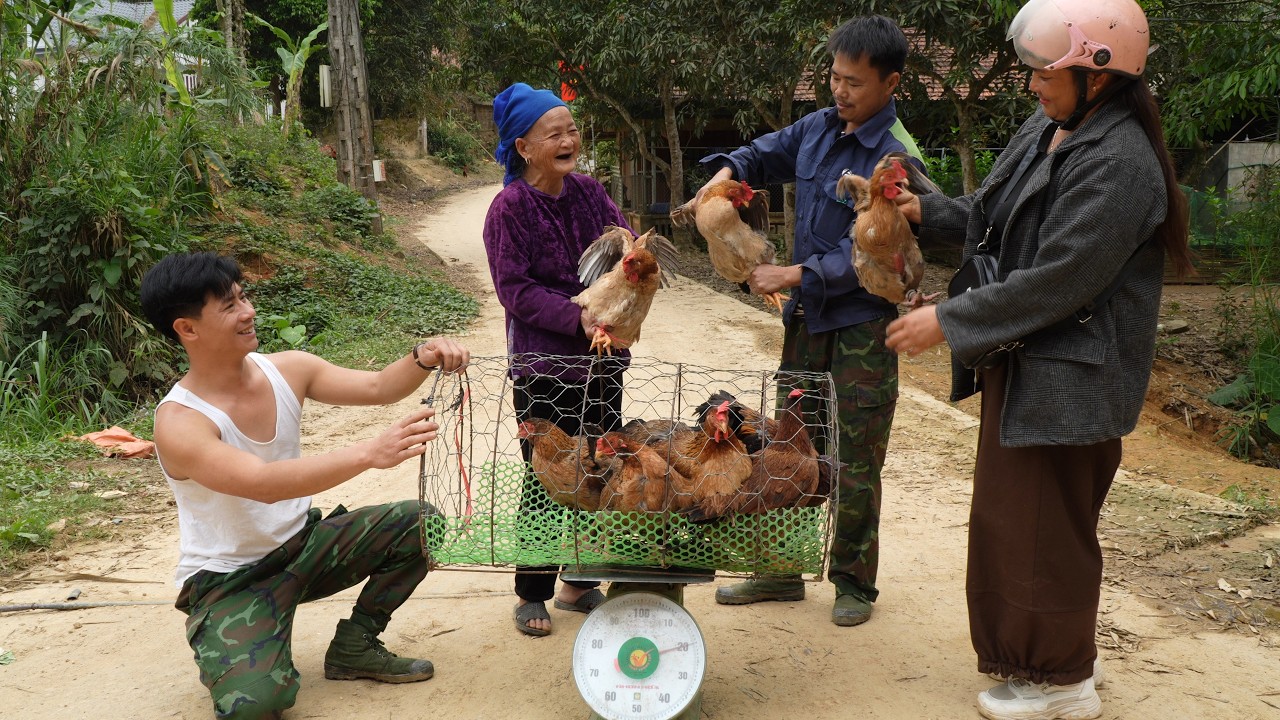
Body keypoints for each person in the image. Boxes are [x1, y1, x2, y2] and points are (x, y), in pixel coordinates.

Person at [884, 0, 1192, 717]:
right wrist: (931, 213)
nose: (1031, 86)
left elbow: (1061, 277)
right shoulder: (1057, 125)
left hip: (1073, 378)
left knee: (1044, 530)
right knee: (1014, 521)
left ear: (1100, 73)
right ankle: (1042, 661)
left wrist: (948, 320)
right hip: (1029, 364)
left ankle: (1061, 682)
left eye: (1045, 73)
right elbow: (996, 211)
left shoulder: (1122, 164)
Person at [140, 252, 470, 719]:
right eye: (229, 305)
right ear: (187, 329)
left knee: (420, 524)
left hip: (305, 547)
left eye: (244, 296)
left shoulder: (288, 369)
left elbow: (377, 387)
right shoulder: (180, 422)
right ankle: (231, 645)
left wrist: (422, 356)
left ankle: (356, 645)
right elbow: (262, 484)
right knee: (257, 706)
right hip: (232, 580)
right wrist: (367, 454)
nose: (248, 311)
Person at [687, 15, 924, 627]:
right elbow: (758, 155)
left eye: (854, 82)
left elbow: (873, 252)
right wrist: (724, 172)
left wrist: (794, 275)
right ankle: (780, 570)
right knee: (787, 446)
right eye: (834, 77)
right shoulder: (818, 128)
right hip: (806, 323)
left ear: (891, 82)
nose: (840, 91)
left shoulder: (897, 157)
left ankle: (852, 582)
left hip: (862, 328)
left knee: (854, 455)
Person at [482, 82, 632, 636]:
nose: (570, 139)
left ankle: (579, 582)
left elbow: (624, 241)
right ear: (523, 146)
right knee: (546, 475)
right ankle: (532, 591)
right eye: (555, 133)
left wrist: (633, 267)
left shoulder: (590, 193)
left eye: (572, 129)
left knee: (597, 465)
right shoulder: (510, 209)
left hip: (603, 359)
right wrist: (579, 317)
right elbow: (515, 290)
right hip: (543, 366)